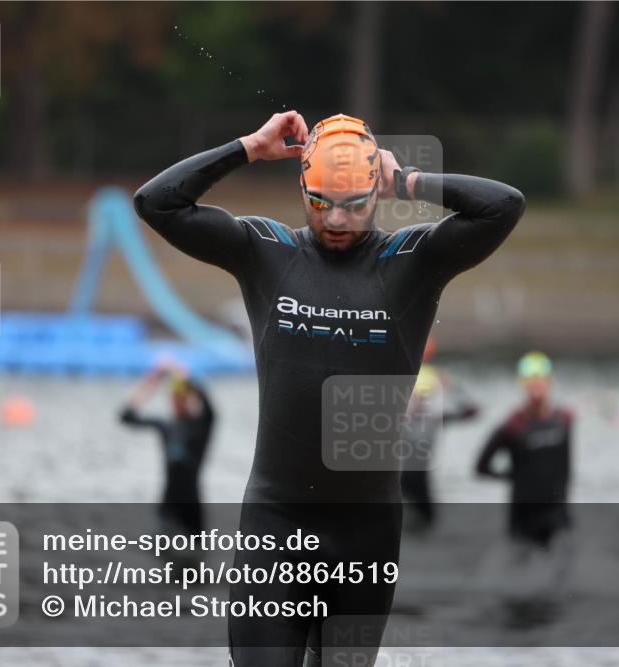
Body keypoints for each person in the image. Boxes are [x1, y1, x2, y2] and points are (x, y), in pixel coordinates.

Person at [133, 111, 525, 666]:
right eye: (321, 203)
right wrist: (248, 147)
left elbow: (504, 206)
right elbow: (157, 203)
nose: (337, 219)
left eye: (355, 203)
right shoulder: (265, 250)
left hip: (366, 535)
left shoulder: (413, 261)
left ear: (377, 191)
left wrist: (409, 180)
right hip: (276, 525)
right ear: (302, 189)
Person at [475, 352, 573, 549]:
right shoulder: (512, 426)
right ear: (522, 384)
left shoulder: (565, 419)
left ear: (550, 382)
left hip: (558, 513)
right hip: (523, 516)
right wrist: (514, 476)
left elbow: (567, 467)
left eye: (540, 379)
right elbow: (481, 467)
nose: (536, 384)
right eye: (530, 380)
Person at [119, 362, 215, 536]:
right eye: (175, 397)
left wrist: (184, 375)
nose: (178, 401)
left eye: (182, 397)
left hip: (191, 505)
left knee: (195, 555)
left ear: (190, 397)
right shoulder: (165, 426)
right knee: (161, 553)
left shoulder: (201, 425)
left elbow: (209, 407)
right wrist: (152, 380)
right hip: (167, 505)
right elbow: (126, 416)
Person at [399, 337, 479, 531]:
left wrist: (450, 385)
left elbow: (471, 410)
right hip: (402, 480)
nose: (421, 400)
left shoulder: (437, 417)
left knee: (424, 519)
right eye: (417, 396)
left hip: (412, 482)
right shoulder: (399, 418)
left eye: (425, 395)